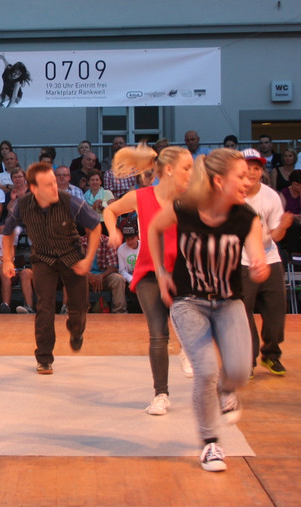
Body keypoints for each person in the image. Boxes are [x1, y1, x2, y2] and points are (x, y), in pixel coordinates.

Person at [147, 148, 268, 472]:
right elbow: (154, 229)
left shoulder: (247, 218)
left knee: (239, 370)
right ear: (219, 181)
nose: (249, 181)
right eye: (241, 176)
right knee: (205, 370)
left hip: (229, 302)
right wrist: (161, 272)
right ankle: (210, 443)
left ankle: (226, 390)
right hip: (189, 302)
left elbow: (257, 256)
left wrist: (260, 268)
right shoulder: (185, 208)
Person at [104, 144, 193, 415]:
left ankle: (187, 349)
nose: (191, 173)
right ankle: (161, 395)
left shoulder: (190, 200)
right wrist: (114, 232)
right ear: (170, 170)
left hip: (182, 272)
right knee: (158, 333)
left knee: (187, 323)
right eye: (187, 167)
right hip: (149, 273)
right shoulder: (141, 196)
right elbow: (110, 211)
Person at [1, 162, 101, 374]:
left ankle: (76, 330)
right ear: (34, 188)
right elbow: (7, 233)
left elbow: (95, 226)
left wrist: (88, 259)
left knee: (79, 306)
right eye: (48, 184)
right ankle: (44, 358)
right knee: (44, 307)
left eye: (55, 182)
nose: (55, 187)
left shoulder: (70, 201)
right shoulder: (22, 205)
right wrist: (7, 260)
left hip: (72, 256)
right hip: (43, 258)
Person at [239, 149, 292, 377]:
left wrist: (284, 226)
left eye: (257, 168)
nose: (252, 172)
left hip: (270, 258)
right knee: (243, 313)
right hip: (241, 261)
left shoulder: (271, 196)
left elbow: (276, 235)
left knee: (276, 312)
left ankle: (271, 354)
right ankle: (247, 360)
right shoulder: (232, 196)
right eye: (248, 168)